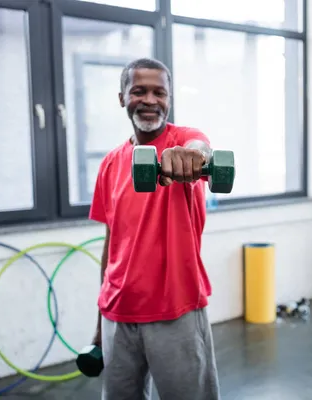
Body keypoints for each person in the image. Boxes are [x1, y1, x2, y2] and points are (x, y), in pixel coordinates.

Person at [88, 57, 221, 400]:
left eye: (159, 92)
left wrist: (193, 158)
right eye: (139, 91)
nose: (149, 100)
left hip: (174, 307)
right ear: (122, 98)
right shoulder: (110, 163)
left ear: (169, 98)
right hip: (117, 311)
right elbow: (111, 242)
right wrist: (100, 319)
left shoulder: (183, 141)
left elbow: (200, 147)